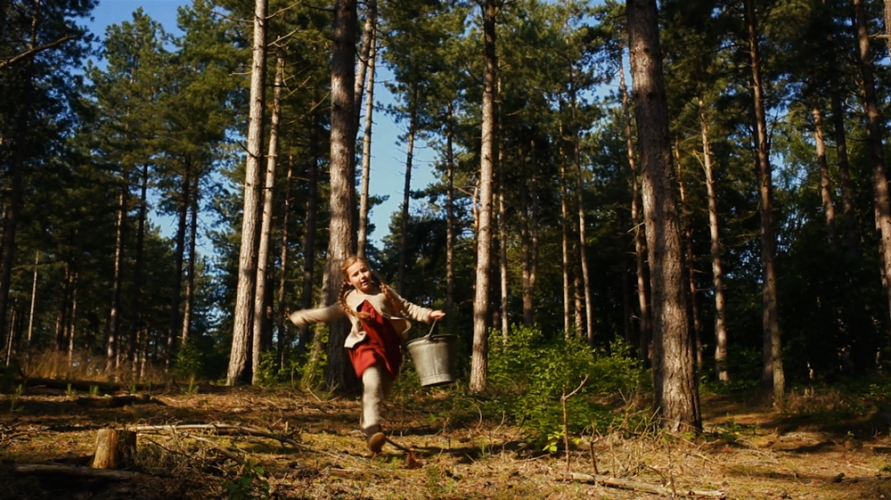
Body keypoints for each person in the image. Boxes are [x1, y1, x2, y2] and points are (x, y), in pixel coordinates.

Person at [288, 255, 446, 453]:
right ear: (348, 281)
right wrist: (302, 316)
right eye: (355, 274)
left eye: (364, 270)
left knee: (381, 392)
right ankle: (373, 431)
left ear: (369, 270)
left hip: (388, 348)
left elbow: (407, 307)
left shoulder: (384, 291)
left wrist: (428, 314)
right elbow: (328, 313)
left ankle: (366, 424)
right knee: (373, 385)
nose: (362, 276)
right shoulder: (349, 299)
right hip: (364, 347)